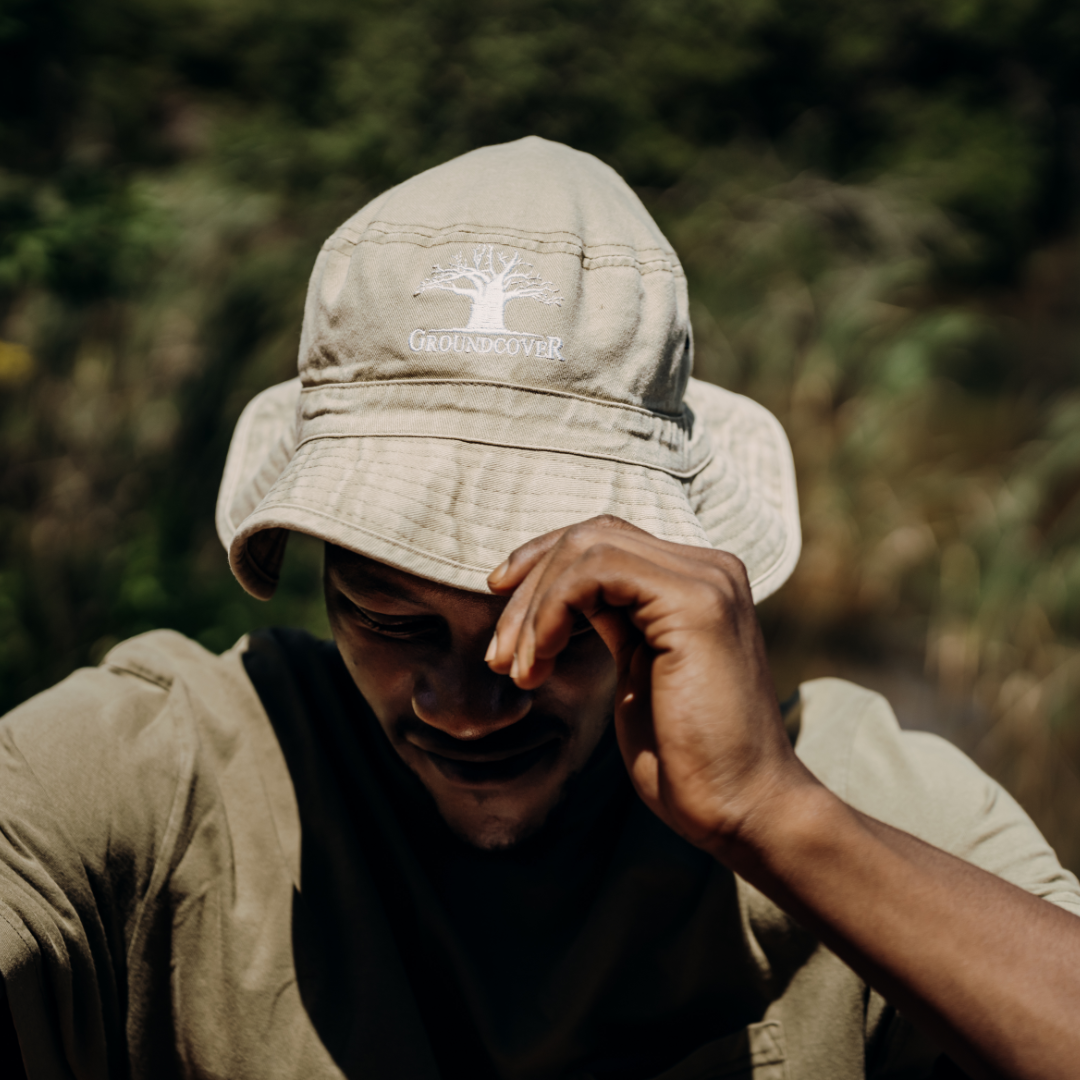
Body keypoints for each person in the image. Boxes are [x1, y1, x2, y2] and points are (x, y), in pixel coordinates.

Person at [1, 136, 1079, 1080]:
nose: (470, 706)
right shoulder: (161, 776)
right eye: (392, 613)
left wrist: (773, 815)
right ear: (319, 574)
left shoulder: (857, 796)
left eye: (563, 623)